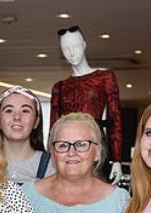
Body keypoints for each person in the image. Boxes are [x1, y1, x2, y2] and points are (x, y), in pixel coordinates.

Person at [51, 26, 123, 184]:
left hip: (96, 146)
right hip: (68, 149)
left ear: (84, 45)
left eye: (75, 46)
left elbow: (115, 119)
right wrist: (52, 159)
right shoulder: (60, 87)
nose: (71, 53)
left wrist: (117, 160)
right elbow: (53, 129)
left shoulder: (104, 78)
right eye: (66, 49)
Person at [0, 85, 55, 183]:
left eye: (25, 111)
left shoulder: (53, 166)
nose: (17, 117)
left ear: (36, 121)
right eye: (9, 111)